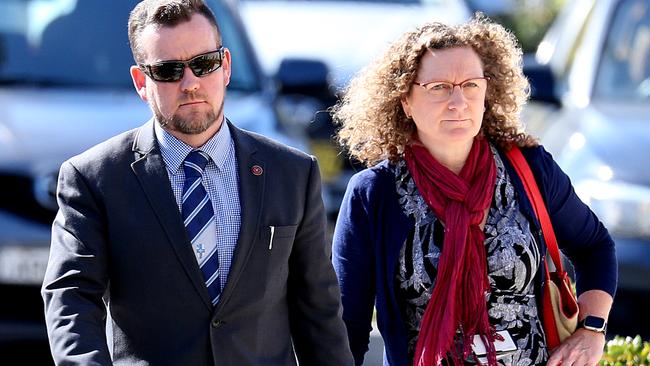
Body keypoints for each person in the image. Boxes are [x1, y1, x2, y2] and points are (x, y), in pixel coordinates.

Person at [41, 1, 353, 365]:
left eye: (204, 64)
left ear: (226, 66)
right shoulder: (95, 178)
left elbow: (318, 309)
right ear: (142, 82)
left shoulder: (293, 173)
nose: (190, 83)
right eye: (169, 70)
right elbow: (72, 296)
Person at [331, 16, 617, 366]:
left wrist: (592, 330)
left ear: (487, 93)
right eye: (438, 87)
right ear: (404, 99)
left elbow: (595, 246)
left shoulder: (529, 167)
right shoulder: (374, 193)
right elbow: (348, 324)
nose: (458, 101)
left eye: (470, 85)